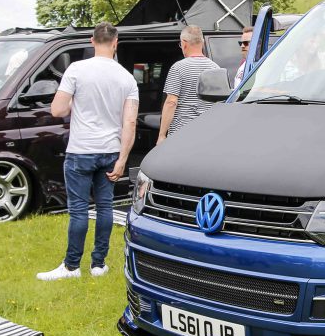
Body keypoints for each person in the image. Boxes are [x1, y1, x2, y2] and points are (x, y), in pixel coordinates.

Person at [37, 22, 139, 281]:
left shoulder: (76, 70)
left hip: (81, 150)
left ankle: (72, 266)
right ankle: (98, 264)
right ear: (115, 43)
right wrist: (123, 159)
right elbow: (130, 122)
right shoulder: (127, 77)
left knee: (79, 209)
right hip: (110, 151)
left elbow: (57, 110)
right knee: (105, 207)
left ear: (92, 41)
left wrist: (75, 99)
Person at [157, 26, 220, 144]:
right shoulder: (215, 68)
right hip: (208, 133)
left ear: (184, 44)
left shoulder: (178, 68)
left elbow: (171, 102)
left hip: (182, 134)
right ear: (202, 42)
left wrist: (161, 135)